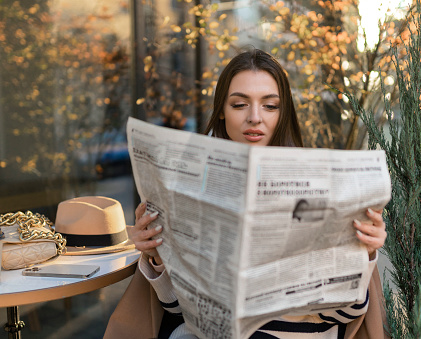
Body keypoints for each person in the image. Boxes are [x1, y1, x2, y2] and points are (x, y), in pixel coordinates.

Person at [113, 49, 388, 339]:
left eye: (270, 106)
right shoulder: (188, 186)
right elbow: (175, 309)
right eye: (240, 104)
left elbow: (346, 314)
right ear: (222, 110)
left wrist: (365, 253)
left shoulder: (319, 186)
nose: (254, 118)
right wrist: (156, 255)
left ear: (283, 112)